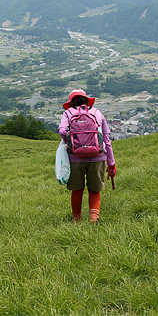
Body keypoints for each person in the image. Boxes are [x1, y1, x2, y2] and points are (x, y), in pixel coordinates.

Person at [58, 89, 116, 224]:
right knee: (95, 190)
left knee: (77, 189)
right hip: (97, 157)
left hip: (75, 158)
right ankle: (94, 220)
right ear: (86, 100)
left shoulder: (68, 113)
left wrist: (72, 143)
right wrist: (111, 163)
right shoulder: (97, 113)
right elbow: (106, 139)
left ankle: (76, 219)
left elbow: (62, 130)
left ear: (71, 102)